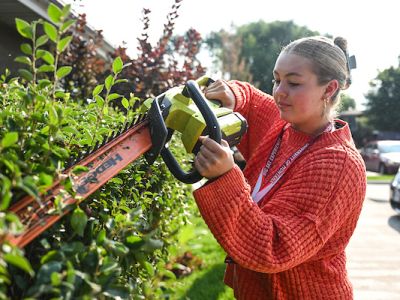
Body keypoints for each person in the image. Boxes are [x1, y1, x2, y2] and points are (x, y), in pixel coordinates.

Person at [193, 36, 366, 299]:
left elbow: (272, 247)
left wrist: (225, 178)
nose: (279, 92)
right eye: (276, 79)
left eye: (294, 83)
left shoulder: (338, 165)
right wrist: (232, 94)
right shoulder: (283, 123)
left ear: (329, 89)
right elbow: (249, 99)